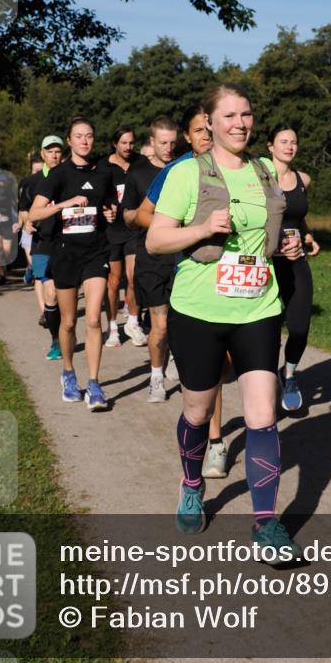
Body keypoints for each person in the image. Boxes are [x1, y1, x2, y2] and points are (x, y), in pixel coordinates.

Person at [147, 83, 304, 562]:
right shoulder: (186, 173)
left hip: (258, 307)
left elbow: (269, 232)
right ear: (210, 123)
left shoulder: (264, 171)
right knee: (198, 412)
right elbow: (155, 240)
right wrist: (201, 229)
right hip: (199, 310)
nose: (240, 124)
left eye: (246, 115)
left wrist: (288, 244)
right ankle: (192, 485)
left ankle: (266, 523)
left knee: (263, 415)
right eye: (230, 116)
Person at [136, 103, 230, 475]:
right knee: (204, 365)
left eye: (211, 128)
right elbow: (144, 214)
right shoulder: (177, 171)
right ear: (188, 137)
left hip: (231, 277)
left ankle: (215, 439)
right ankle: (213, 441)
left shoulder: (239, 167)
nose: (207, 136)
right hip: (188, 274)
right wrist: (183, 228)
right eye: (199, 130)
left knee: (221, 362)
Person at [29, 118, 115, 409]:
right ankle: (68, 372)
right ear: (69, 140)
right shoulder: (58, 174)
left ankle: (94, 384)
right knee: (68, 322)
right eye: (79, 136)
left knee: (93, 319)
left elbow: (107, 207)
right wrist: (64, 204)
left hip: (96, 252)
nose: (84, 141)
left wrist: (110, 213)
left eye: (89, 136)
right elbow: (34, 214)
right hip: (65, 254)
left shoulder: (103, 172)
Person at [122, 116, 179, 401]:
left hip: (182, 255)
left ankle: (174, 359)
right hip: (152, 256)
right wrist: (157, 222)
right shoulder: (137, 173)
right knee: (160, 323)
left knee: (179, 322)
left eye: (173, 143)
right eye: (163, 142)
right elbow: (127, 215)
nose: (168, 148)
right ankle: (156, 378)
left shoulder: (184, 168)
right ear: (152, 141)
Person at [266, 124, 320, 412]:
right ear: (270, 146)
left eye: (293, 142)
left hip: (296, 261)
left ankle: (288, 375)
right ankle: (265, 382)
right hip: (266, 263)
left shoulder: (303, 179)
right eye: (283, 141)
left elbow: (296, 217)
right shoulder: (259, 180)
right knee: (268, 330)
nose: (289, 146)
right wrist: (275, 243)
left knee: (299, 328)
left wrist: (307, 235)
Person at [18, 136, 64, 358]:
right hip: (42, 242)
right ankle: (56, 340)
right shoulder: (31, 182)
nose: (54, 155)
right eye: (50, 151)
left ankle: (66, 332)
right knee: (51, 293)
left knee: (66, 295)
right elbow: (24, 210)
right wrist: (27, 221)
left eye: (58, 151)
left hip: (67, 243)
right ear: (43, 154)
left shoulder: (69, 177)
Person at [99, 127, 145, 347]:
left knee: (134, 277)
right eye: (124, 143)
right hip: (111, 231)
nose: (128, 147)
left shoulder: (140, 163)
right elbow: (95, 195)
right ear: (114, 143)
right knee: (114, 280)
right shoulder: (103, 166)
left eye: (131, 143)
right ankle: (112, 327)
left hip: (134, 229)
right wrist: (104, 210)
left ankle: (133, 322)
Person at [19, 156, 42, 285]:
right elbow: (22, 207)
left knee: (42, 267)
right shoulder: (25, 184)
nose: (38, 174)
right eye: (35, 171)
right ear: (30, 171)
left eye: (41, 170)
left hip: (45, 229)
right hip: (29, 228)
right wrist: (22, 223)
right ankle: (30, 269)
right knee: (34, 263)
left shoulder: (51, 182)